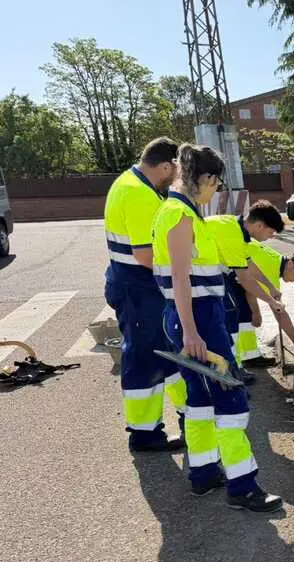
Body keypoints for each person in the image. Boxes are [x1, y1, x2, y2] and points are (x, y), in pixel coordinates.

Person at [151, 143, 281, 512]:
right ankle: (243, 486)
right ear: (206, 178)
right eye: (217, 183)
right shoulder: (181, 216)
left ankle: (204, 472)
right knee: (230, 398)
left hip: (190, 319)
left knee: (200, 400)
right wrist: (191, 332)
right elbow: (180, 278)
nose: (216, 190)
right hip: (199, 322)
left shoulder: (177, 211)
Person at [103, 137, 188, 452]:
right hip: (139, 287)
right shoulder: (140, 195)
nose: (177, 178)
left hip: (133, 284)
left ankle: (189, 414)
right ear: (165, 166)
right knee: (144, 358)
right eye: (176, 171)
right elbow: (145, 255)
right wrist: (182, 271)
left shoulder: (129, 182)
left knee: (165, 351)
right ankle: (144, 433)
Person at [205, 201, 287, 381]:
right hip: (203, 275)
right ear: (260, 226)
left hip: (213, 273)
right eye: (271, 232)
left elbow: (249, 265)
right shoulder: (232, 235)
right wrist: (271, 301)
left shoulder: (237, 228)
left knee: (235, 311)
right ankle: (232, 370)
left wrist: (271, 287)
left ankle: (236, 366)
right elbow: (245, 278)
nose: (271, 237)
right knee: (229, 315)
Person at [246, 240, 294, 358]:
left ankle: (248, 355)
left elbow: (250, 288)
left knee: (249, 314)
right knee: (244, 316)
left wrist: (256, 312)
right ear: (291, 264)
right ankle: (248, 357)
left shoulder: (276, 258)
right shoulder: (271, 269)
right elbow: (280, 313)